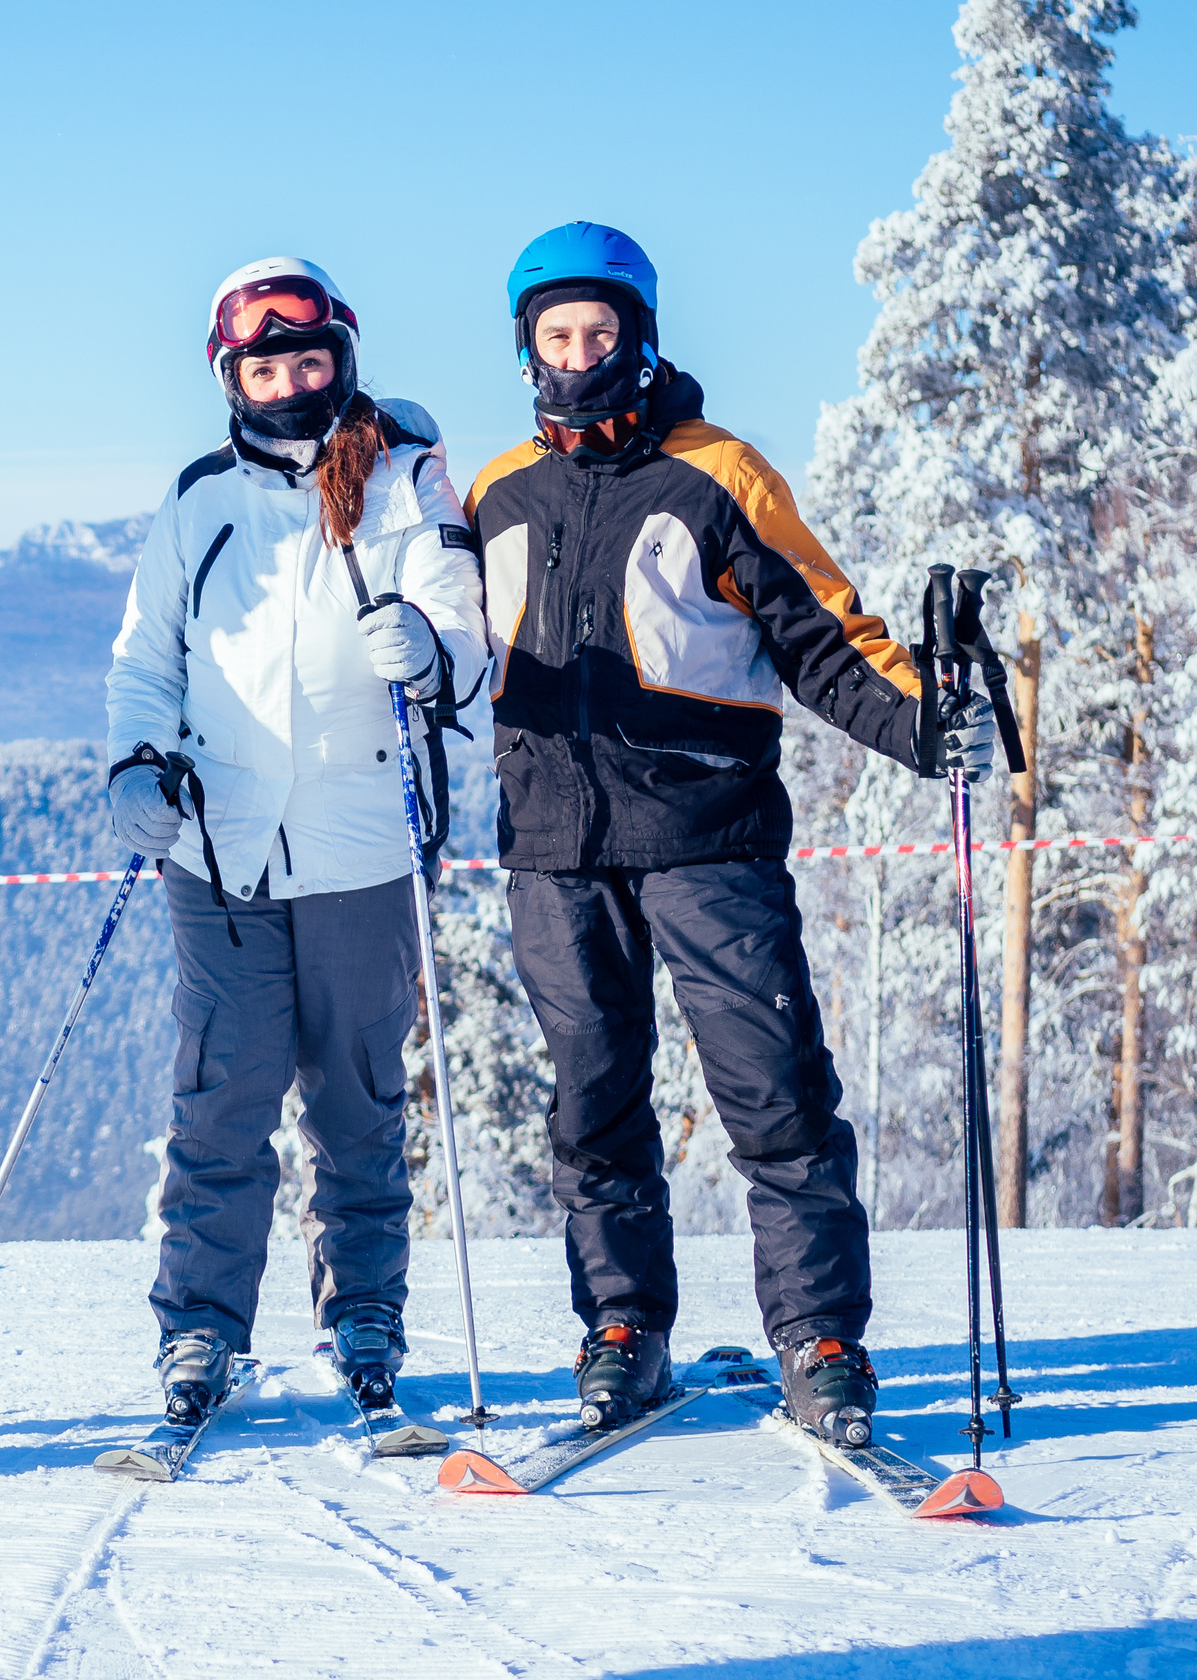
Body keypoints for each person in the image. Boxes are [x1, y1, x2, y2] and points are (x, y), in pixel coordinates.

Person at [466, 223, 997, 1444]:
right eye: (558, 335)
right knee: (592, 1109)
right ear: (527, 348)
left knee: (774, 1099)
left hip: (709, 841)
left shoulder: (720, 474)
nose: (581, 352)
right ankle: (621, 1331)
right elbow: (444, 654)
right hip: (553, 848)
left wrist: (925, 725)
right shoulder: (495, 492)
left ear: (640, 336)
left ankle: (817, 1340)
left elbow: (824, 636)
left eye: (602, 331)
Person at [106, 257, 490, 1424]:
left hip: (364, 846)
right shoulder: (197, 506)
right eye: (263, 363)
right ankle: (201, 1331)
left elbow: (464, 627)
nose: (287, 379)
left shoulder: (403, 484)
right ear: (231, 377)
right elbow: (144, 658)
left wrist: (429, 654)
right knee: (220, 1101)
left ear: (343, 361)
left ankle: (363, 1309)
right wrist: (134, 760)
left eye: (307, 357)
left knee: (359, 1101)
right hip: (216, 851)